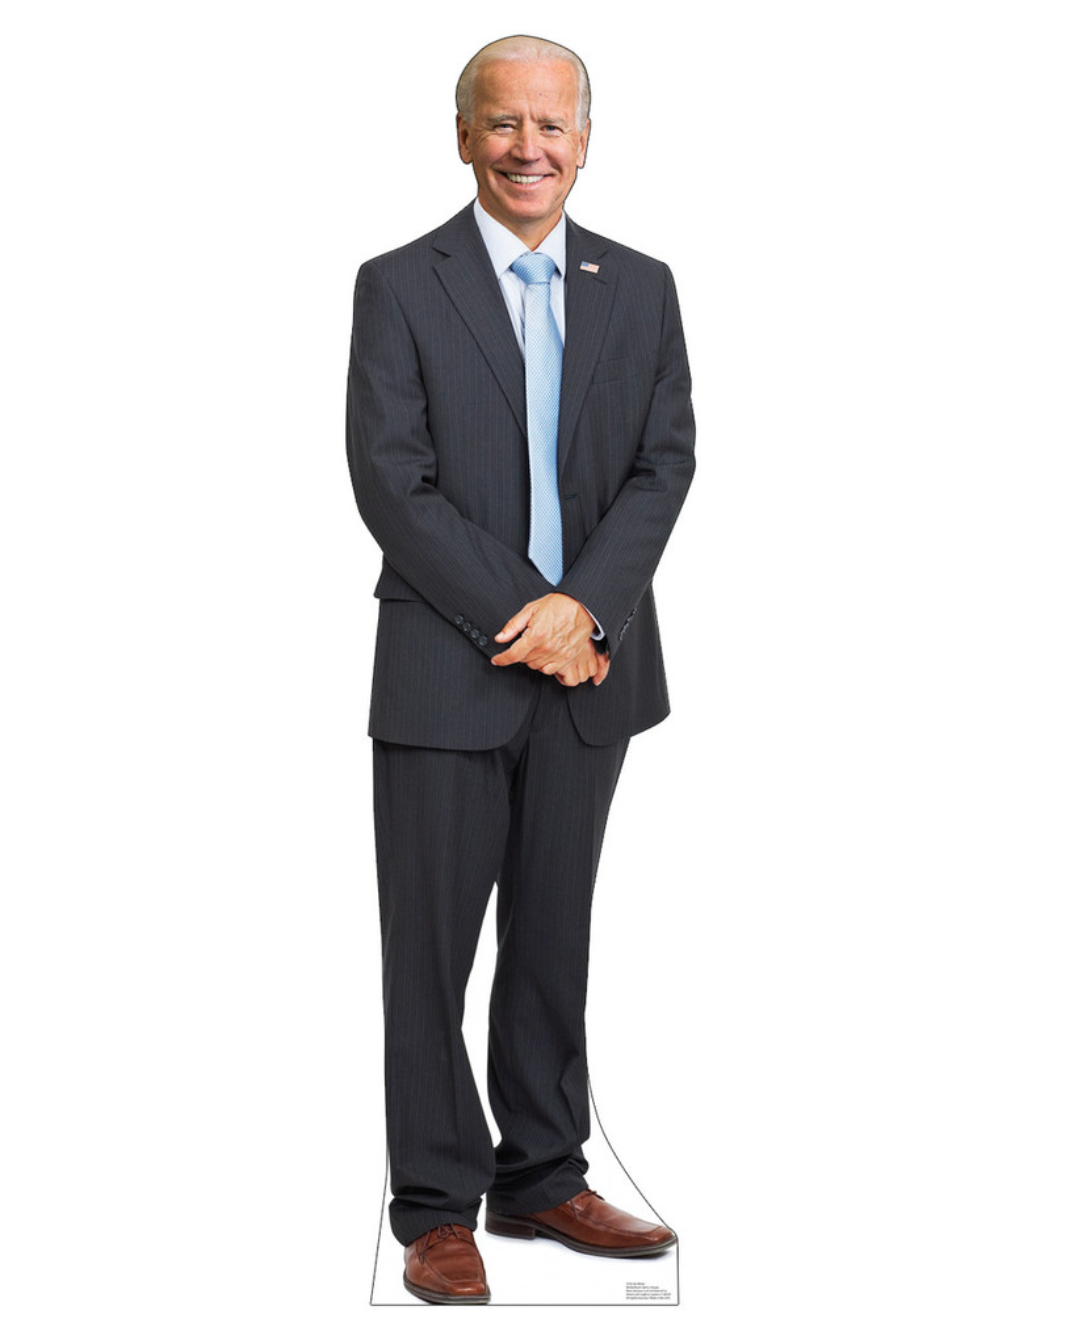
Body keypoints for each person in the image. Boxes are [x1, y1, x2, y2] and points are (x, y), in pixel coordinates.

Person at [346, 34, 695, 1305]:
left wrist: (583, 610)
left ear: (584, 142)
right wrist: (527, 612)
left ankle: (542, 1173)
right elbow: (392, 479)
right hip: (446, 666)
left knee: (554, 933)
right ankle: (436, 1205)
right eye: (502, 122)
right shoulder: (399, 284)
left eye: (552, 124)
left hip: (591, 670)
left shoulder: (641, 286)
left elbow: (664, 462)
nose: (527, 146)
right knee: (430, 951)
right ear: (463, 137)